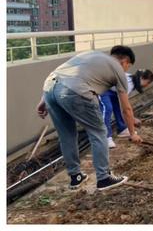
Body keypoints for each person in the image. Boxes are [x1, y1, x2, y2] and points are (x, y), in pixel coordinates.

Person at [36, 46, 142, 191]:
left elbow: (62, 72)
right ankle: (104, 178)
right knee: (98, 132)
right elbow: (126, 109)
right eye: (128, 66)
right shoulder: (118, 70)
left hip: (49, 88)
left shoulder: (90, 55)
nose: (126, 69)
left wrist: (43, 101)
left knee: (66, 135)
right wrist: (133, 133)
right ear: (125, 61)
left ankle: (75, 176)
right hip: (75, 90)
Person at [100, 69, 153, 148]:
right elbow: (126, 109)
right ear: (142, 78)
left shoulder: (131, 82)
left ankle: (122, 129)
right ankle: (106, 138)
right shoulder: (128, 84)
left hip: (111, 89)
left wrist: (132, 119)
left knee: (117, 106)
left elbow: (122, 106)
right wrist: (132, 127)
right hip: (102, 87)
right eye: (148, 82)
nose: (147, 85)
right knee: (107, 109)